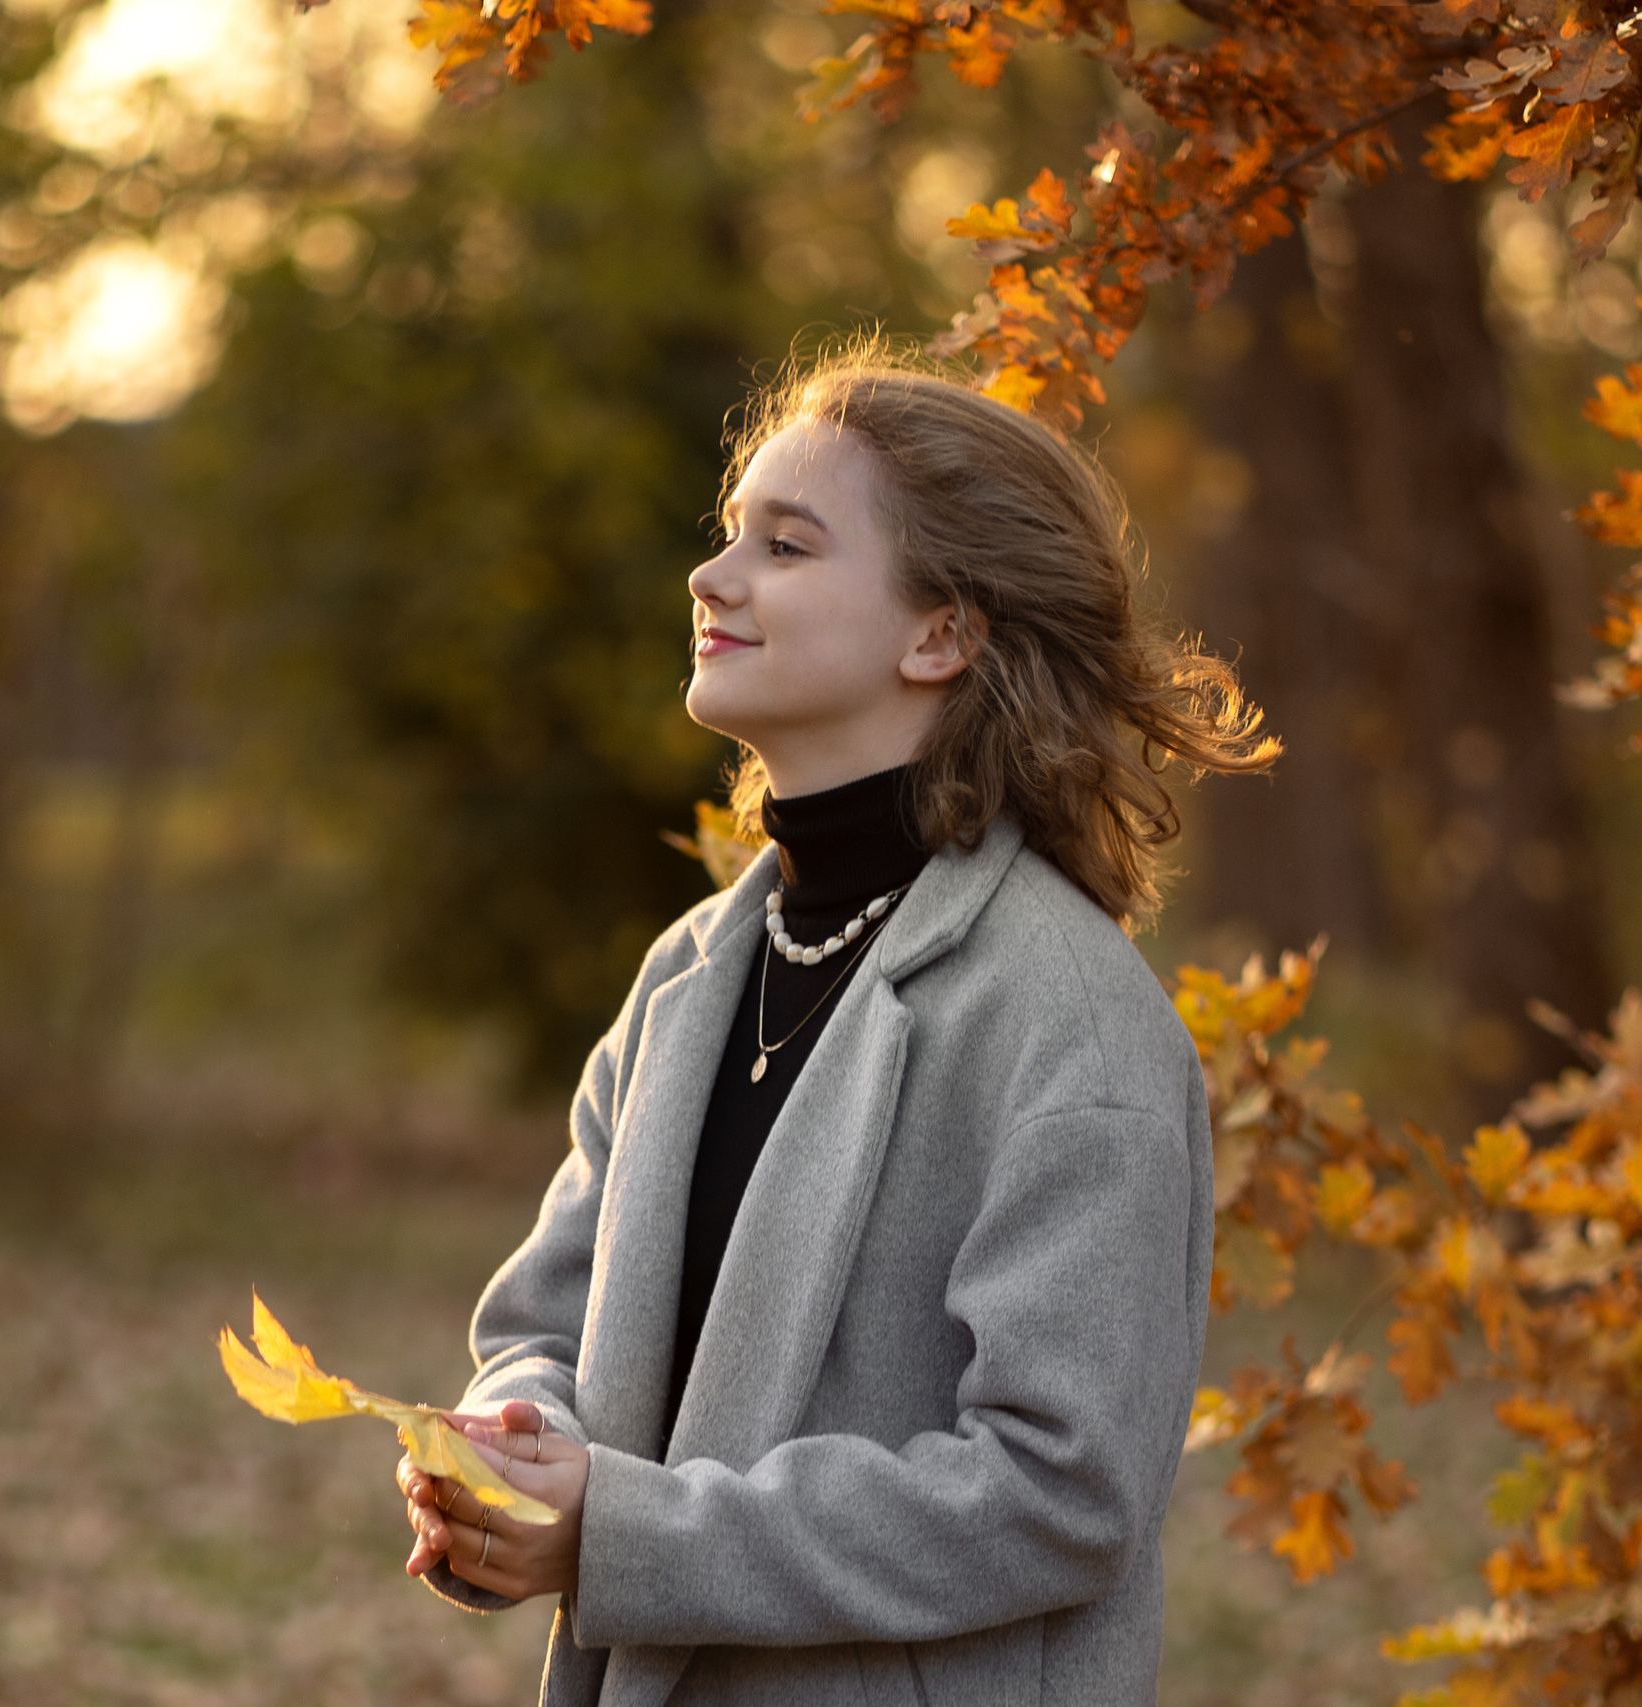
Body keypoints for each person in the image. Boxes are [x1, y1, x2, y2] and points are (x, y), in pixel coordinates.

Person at [393, 347, 1275, 1707]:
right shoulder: (688, 971)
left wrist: (625, 1537)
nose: (712, 575)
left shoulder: (1074, 1025)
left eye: (786, 545)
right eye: (728, 532)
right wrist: (507, 1460)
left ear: (942, 634)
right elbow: (541, 1329)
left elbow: (1060, 1491)